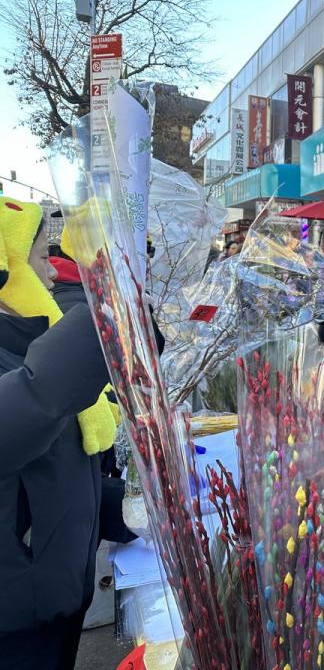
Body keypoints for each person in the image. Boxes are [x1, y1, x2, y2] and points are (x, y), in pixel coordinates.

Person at [0, 200, 113, 668]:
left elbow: (54, 465)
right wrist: (105, 315)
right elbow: (26, 411)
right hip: (15, 618)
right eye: (42, 259)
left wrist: (109, 501)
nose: (52, 275)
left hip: (55, 592)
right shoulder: (33, 358)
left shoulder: (26, 341)